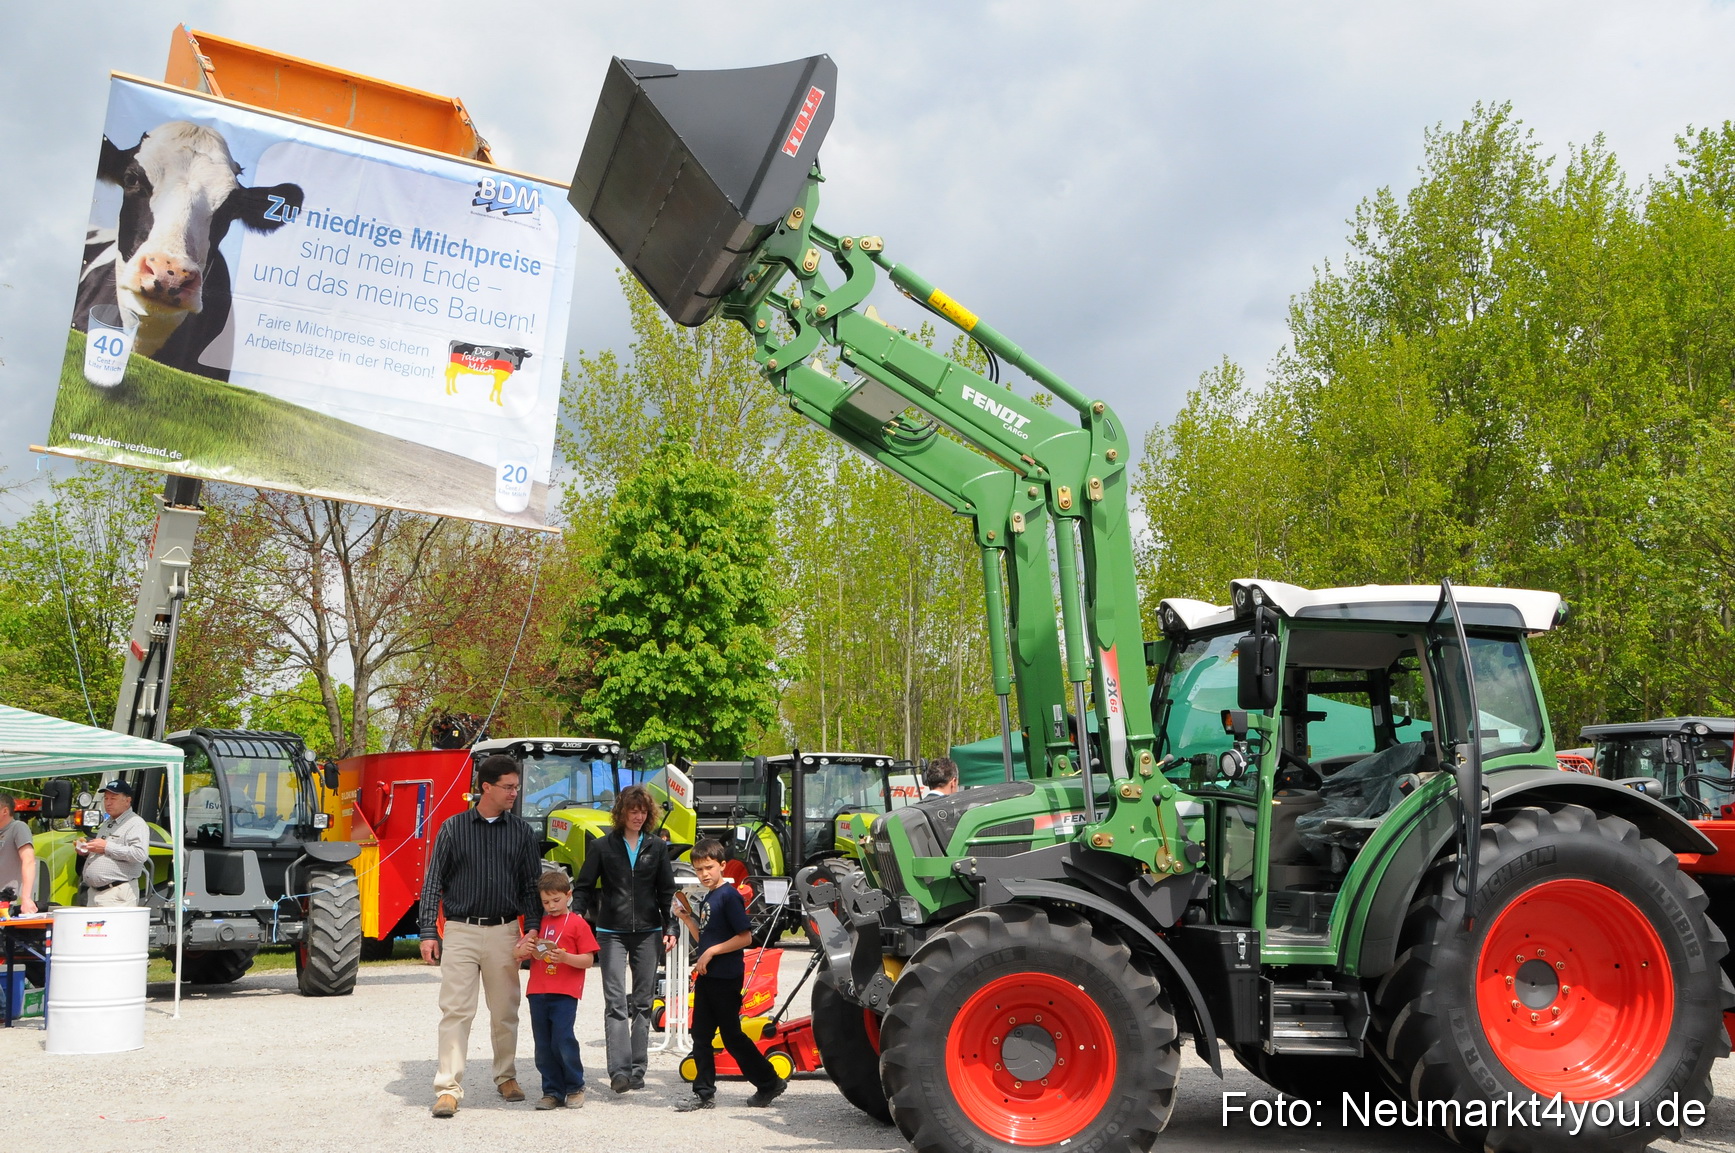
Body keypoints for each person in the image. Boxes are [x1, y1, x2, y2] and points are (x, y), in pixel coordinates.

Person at [420, 754, 544, 1119]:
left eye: (516, 787)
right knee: (456, 1011)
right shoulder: (452, 828)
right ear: (485, 787)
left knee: (505, 1011)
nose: (514, 793)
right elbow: (432, 884)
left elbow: (530, 887)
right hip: (459, 930)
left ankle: (506, 1076)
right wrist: (429, 931)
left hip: (506, 931)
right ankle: (447, 1088)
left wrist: (533, 929)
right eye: (508, 787)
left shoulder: (521, 831)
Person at [573, 784, 676, 1094]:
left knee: (643, 1003)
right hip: (611, 933)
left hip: (649, 931)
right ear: (621, 813)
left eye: (643, 811)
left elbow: (667, 892)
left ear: (649, 814)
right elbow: (584, 886)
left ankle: (637, 1068)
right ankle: (618, 1071)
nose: (637, 816)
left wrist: (670, 927)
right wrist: (576, 916)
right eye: (632, 811)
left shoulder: (657, 847)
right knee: (616, 1002)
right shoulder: (602, 847)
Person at [673, 838, 787, 1111]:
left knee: (731, 1036)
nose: (704, 874)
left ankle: (770, 1081)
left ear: (723, 866)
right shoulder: (710, 897)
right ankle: (703, 1093)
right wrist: (688, 919)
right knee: (700, 1034)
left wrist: (711, 953)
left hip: (726, 976)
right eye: (699, 870)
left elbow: (746, 937)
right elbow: (705, 940)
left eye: (709, 868)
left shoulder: (729, 896)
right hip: (709, 977)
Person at [514, 869, 600, 1111]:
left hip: (565, 992)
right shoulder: (537, 924)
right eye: (545, 901)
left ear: (568, 895)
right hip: (538, 991)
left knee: (562, 1039)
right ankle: (551, 1091)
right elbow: (524, 953)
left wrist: (565, 958)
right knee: (543, 1044)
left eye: (556, 900)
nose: (551, 906)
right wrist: (526, 950)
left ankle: (574, 1086)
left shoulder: (578, 923)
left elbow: (587, 960)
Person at [77, 781, 149, 907]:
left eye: (113, 798)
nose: (108, 803)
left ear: (127, 801)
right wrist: (87, 851)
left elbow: (140, 854)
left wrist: (106, 847)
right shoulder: (107, 822)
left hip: (116, 894)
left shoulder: (136, 823)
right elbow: (104, 852)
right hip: (95, 893)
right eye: (106, 798)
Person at [0, 794, 37, 915]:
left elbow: (29, 860)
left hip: (8, 902)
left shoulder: (18, 827)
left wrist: (26, 898)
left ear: (5, 811)